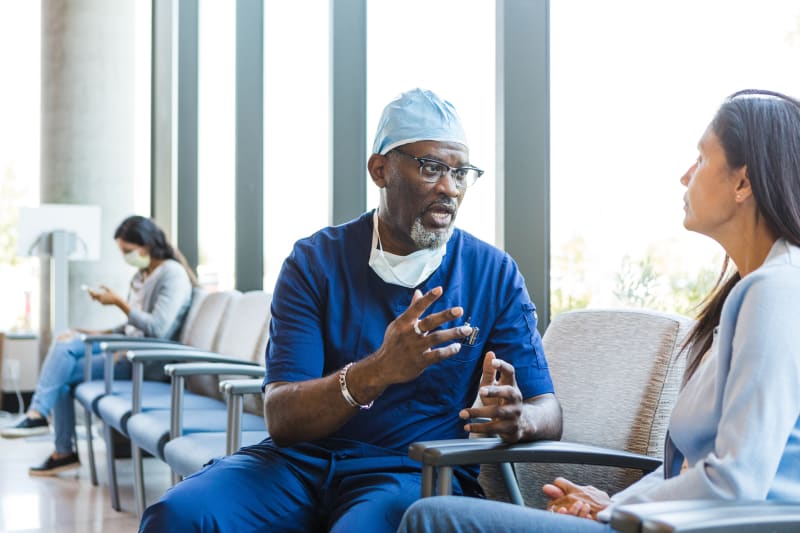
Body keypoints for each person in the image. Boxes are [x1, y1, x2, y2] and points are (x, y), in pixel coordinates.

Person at [139, 88, 563, 532]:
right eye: (431, 167)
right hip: (298, 464)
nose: (448, 188)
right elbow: (282, 417)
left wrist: (520, 419)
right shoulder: (315, 261)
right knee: (178, 516)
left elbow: (547, 409)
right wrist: (377, 370)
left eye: (460, 173)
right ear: (380, 170)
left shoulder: (492, 273)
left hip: (410, 473)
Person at [397, 88, 800, 533]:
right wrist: (610, 500)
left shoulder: (776, 291)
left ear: (743, 183)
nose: (686, 176)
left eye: (701, 159)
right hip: (662, 521)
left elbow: (735, 481)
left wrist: (613, 513)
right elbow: (689, 470)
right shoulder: (752, 291)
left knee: (432, 517)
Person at [1, 215, 196, 476]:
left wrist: (118, 303)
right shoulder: (141, 275)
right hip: (126, 350)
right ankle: (42, 420)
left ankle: (56, 441)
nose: (126, 257)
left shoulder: (172, 274)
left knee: (63, 372)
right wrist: (92, 332)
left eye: (128, 251)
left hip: (144, 362)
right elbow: (130, 328)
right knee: (65, 342)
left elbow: (158, 329)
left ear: (147, 244)